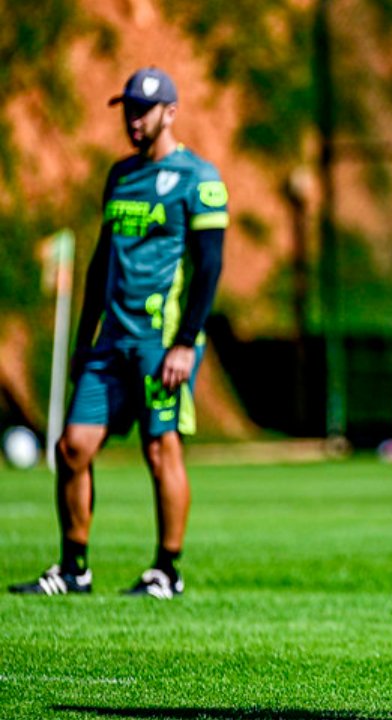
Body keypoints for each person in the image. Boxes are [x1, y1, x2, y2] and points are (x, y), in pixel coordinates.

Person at [9, 67, 228, 600]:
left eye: (143, 110)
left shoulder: (199, 178)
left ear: (170, 113)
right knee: (72, 448)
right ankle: (74, 570)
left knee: (160, 450)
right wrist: (85, 340)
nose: (133, 120)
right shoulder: (121, 175)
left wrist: (184, 344)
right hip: (110, 341)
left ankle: (166, 571)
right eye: (128, 109)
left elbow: (209, 267)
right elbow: (101, 263)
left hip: (161, 341)